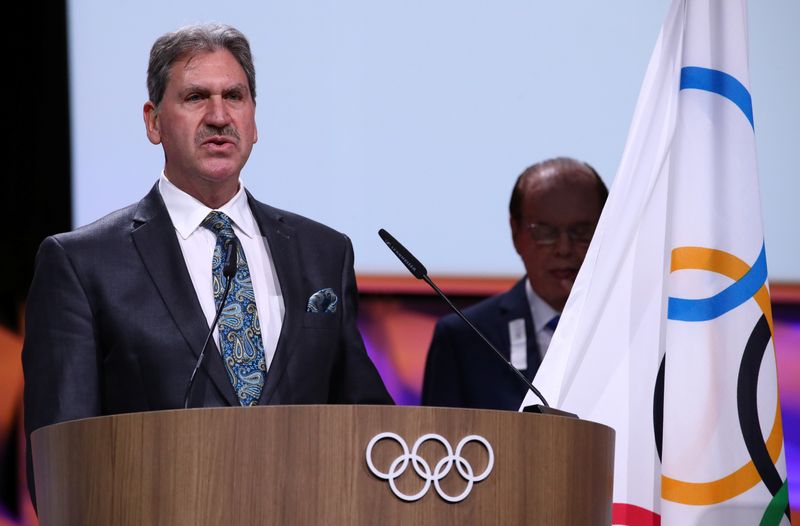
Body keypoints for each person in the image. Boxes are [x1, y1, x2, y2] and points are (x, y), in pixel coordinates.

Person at [22, 23, 393, 498]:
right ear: (154, 122)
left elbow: (371, 425)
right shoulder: (81, 264)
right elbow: (60, 459)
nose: (219, 116)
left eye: (234, 97)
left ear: (254, 120)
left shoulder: (323, 253)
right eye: (196, 97)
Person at [421, 157, 607, 410]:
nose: (564, 248)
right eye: (545, 232)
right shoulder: (464, 340)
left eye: (582, 232)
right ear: (515, 232)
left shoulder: (642, 326)